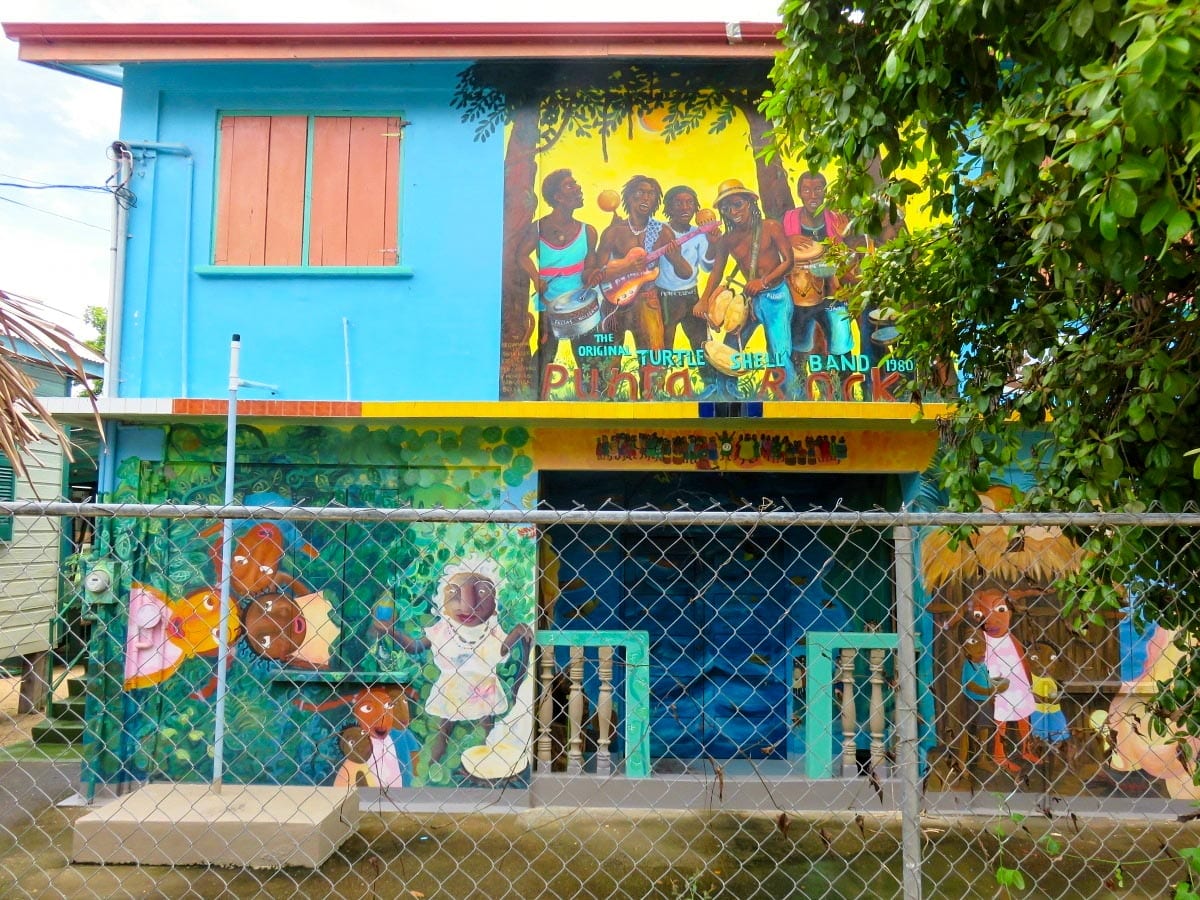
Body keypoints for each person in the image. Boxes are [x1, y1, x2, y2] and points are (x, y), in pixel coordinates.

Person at [699, 179, 796, 393]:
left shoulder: (770, 227)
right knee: (729, 349)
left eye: (737, 204)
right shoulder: (727, 239)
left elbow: (789, 262)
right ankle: (726, 398)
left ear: (750, 203)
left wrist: (763, 282)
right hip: (749, 301)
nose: (733, 211)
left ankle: (792, 401)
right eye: (726, 207)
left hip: (776, 298)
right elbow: (717, 272)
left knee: (779, 354)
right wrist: (704, 301)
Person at [585, 175, 682, 373]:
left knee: (653, 361)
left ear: (656, 200)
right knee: (609, 360)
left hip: (647, 300)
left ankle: (651, 401)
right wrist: (625, 267)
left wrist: (676, 258)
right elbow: (598, 271)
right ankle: (609, 400)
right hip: (615, 302)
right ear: (628, 198)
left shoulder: (663, 232)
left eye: (651, 194)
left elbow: (685, 272)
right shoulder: (613, 232)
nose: (645, 198)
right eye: (640, 193)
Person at [515, 169, 598, 375]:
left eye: (576, 183)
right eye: (570, 185)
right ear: (558, 197)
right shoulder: (538, 228)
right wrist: (536, 279)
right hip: (549, 303)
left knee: (587, 359)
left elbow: (590, 268)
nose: (578, 188)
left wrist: (593, 275)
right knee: (546, 353)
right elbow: (522, 256)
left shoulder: (588, 231)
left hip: (580, 305)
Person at [782, 172, 858, 383]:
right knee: (799, 346)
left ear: (825, 192)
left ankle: (846, 389)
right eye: (806, 190)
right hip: (802, 295)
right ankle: (798, 394)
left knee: (842, 343)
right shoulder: (789, 219)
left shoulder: (836, 219)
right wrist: (789, 239)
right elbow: (780, 253)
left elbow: (849, 259)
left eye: (817, 189)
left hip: (831, 294)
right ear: (799, 193)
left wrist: (844, 237)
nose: (812, 195)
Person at [656, 185, 719, 390]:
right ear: (669, 207)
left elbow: (707, 266)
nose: (684, 207)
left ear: (695, 207)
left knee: (702, 345)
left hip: (691, 297)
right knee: (663, 347)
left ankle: (711, 388)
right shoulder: (660, 232)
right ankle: (657, 389)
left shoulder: (698, 233)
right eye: (678, 202)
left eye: (689, 202)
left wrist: (712, 243)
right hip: (665, 298)